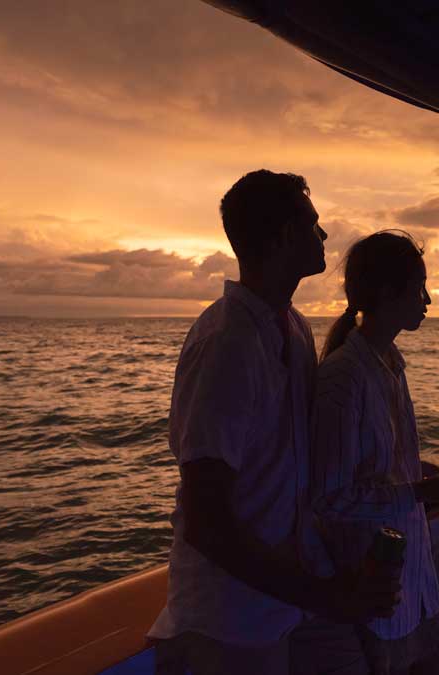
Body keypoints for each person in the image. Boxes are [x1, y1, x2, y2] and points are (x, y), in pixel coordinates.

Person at [148, 171, 400, 675]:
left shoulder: (293, 327)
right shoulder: (227, 343)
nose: (324, 236)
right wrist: (326, 596)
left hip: (295, 596)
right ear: (286, 235)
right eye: (313, 224)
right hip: (230, 620)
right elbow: (207, 521)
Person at [311, 231, 439, 675]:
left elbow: (387, 470)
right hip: (377, 592)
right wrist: (425, 490)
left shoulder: (389, 363)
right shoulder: (343, 377)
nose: (428, 300)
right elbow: (331, 499)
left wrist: (438, 478)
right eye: (419, 288)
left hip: (417, 585)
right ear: (389, 293)